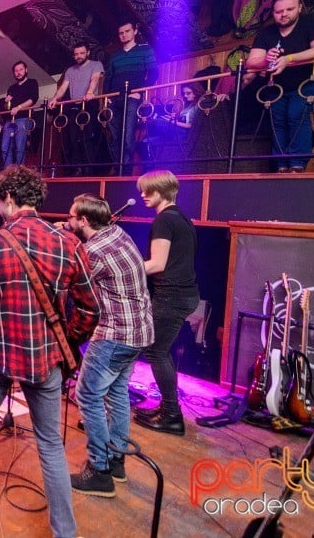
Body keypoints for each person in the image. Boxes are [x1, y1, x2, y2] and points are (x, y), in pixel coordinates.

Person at [0, 165, 99, 538]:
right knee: (51, 445)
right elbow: (91, 310)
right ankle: (65, 533)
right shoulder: (70, 244)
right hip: (45, 359)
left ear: (9, 198)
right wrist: (67, 339)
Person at [63, 194, 153, 497]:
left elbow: (68, 281)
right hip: (138, 333)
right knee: (116, 394)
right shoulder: (117, 234)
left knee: (87, 395)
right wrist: (67, 229)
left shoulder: (93, 252)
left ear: (84, 221)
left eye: (72, 217)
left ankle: (99, 472)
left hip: (115, 335)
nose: (68, 220)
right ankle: (116, 462)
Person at [133, 170, 198, 436]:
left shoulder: (164, 220)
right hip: (182, 294)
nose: (143, 195)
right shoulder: (180, 217)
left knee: (156, 352)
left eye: (148, 190)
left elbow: (158, 264)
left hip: (172, 296)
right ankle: (168, 408)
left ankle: (172, 416)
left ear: (162, 191)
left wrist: (126, 268)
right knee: (160, 351)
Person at [247, 0, 314, 173]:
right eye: (279, 11)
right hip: (276, 86)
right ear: (273, 12)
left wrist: (289, 59)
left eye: (289, 9)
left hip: (307, 81)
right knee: (277, 121)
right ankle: (281, 165)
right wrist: (266, 59)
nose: (284, 14)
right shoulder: (267, 32)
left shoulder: (313, 22)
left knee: (296, 114)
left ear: (300, 8)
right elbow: (251, 62)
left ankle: (297, 164)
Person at [104, 22, 158, 170]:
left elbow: (154, 74)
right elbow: (108, 78)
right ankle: (118, 169)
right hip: (114, 98)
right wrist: (107, 96)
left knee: (128, 135)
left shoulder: (145, 50)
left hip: (133, 97)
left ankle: (126, 171)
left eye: (127, 31)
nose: (124, 35)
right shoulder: (115, 56)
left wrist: (139, 91)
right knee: (114, 137)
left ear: (135, 31)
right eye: (121, 33)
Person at [48, 44, 105, 174]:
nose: (79, 56)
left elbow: (95, 78)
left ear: (88, 53)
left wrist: (90, 92)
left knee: (88, 136)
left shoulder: (96, 64)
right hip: (74, 105)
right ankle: (78, 167)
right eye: (76, 54)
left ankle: (89, 168)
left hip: (89, 103)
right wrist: (55, 98)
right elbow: (63, 87)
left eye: (81, 53)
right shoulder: (70, 70)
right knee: (73, 138)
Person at [2, 61, 40, 168]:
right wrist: (6, 102)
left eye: (21, 69)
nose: (18, 72)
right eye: (16, 71)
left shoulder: (32, 82)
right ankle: (8, 172)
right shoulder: (11, 88)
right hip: (10, 120)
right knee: (5, 147)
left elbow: (33, 99)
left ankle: (20, 172)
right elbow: (7, 108)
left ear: (26, 70)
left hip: (24, 118)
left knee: (20, 147)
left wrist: (19, 107)